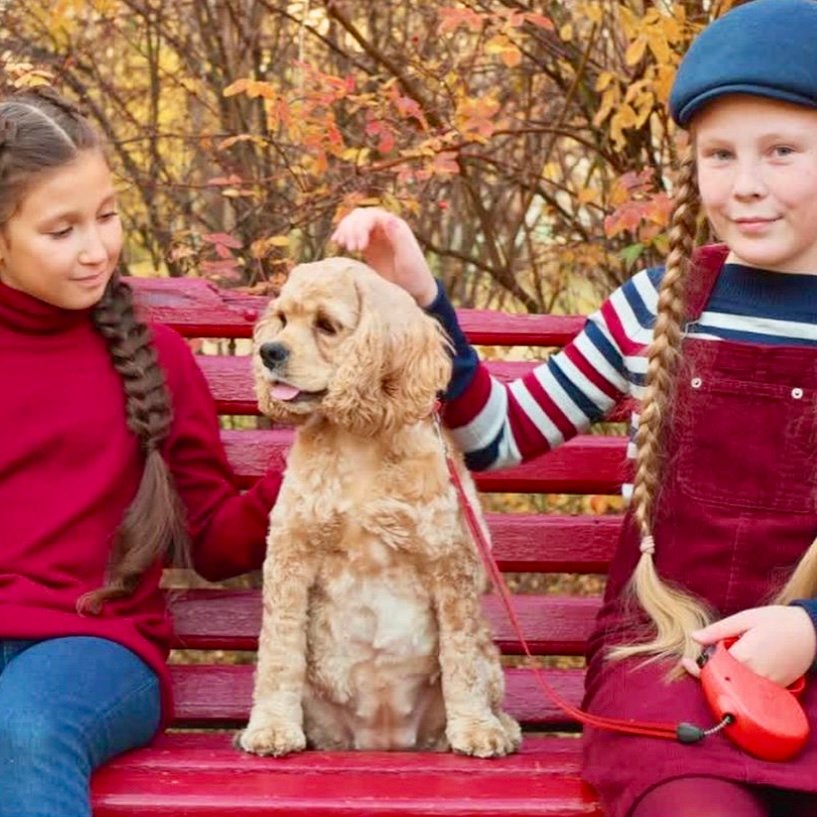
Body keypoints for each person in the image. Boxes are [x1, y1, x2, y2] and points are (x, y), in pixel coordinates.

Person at [331, 1, 817, 814]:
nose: (744, 185)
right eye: (718, 155)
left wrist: (807, 624)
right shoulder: (655, 307)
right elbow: (495, 439)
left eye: (781, 152)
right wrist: (423, 297)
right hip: (668, 657)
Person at [0, 86, 281, 816]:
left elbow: (214, 543)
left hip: (98, 647)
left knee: (24, 725)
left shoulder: (155, 358)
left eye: (107, 216)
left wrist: (293, 482)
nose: (96, 249)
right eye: (61, 231)